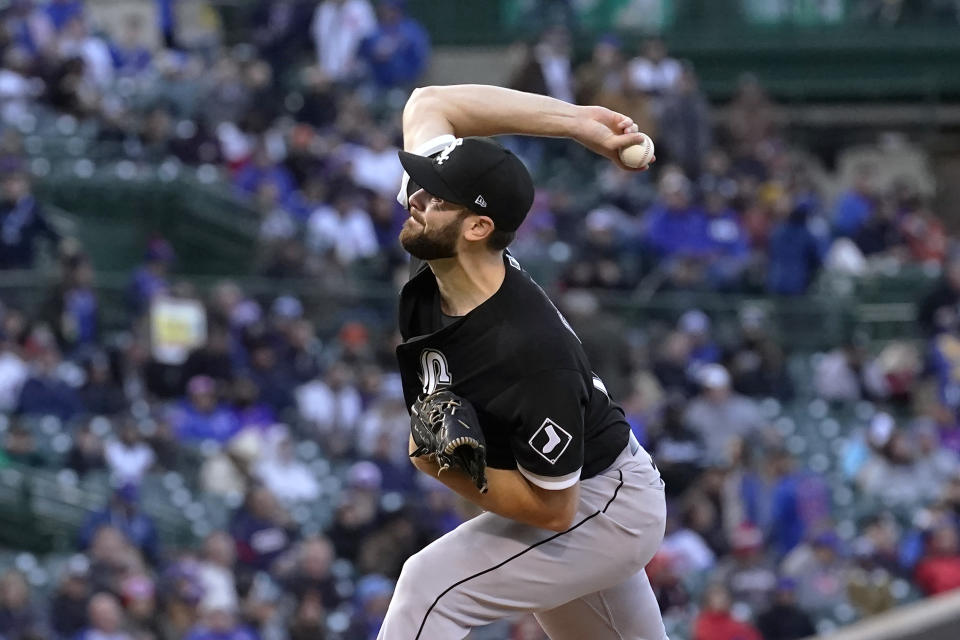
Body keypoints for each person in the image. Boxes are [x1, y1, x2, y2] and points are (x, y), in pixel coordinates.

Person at [379, 83, 666, 639]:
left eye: (434, 197)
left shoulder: (527, 351)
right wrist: (577, 122)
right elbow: (428, 103)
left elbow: (554, 509)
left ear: (478, 227)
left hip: (600, 505)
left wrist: (444, 466)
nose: (414, 199)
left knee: (428, 589)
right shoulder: (448, 256)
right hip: (586, 494)